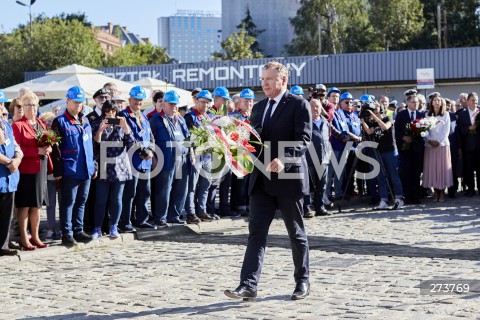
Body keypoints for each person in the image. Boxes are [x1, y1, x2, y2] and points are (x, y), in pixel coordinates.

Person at [224, 61, 312, 301]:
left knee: (295, 232)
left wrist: (284, 158)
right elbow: (253, 141)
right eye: (263, 79)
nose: (264, 83)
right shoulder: (259, 107)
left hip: (288, 179)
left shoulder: (298, 105)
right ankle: (248, 284)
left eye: (269, 79)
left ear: (282, 80)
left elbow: (304, 139)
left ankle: (302, 281)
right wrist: (233, 145)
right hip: (261, 180)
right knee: (256, 234)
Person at [51, 86, 96, 245]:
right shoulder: (60, 121)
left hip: (85, 168)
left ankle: (78, 230)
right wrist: (58, 170)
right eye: (75, 102)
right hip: (70, 169)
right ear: (67, 101)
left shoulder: (85, 120)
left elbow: (90, 145)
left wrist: (93, 165)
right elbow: (55, 149)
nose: (78, 105)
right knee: (68, 201)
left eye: (80, 102)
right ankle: (67, 233)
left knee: (82, 201)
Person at [11, 93, 52, 250]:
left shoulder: (40, 123)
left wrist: (49, 147)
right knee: (25, 205)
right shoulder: (18, 125)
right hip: (26, 170)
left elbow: (46, 141)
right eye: (28, 105)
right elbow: (18, 149)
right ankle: (23, 238)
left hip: (40, 168)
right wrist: (37, 151)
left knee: (37, 205)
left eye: (34, 105)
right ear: (22, 107)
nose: (32, 108)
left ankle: (35, 237)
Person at [91, 100, 134, 239]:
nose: (110, 114)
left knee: (116, 199)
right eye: (107, 111)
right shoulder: (98, 123)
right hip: (103, 165)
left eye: (113, 111)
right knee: (100, 199)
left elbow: (132, 145)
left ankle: (114, 226)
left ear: (116, 112)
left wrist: (126, 128)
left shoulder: (122, 124)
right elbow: (94, 145)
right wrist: (100, 131)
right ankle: (97, 227)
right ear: (104, 112)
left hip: (120, 166)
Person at [150, 91, 191, 226]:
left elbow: (187, 138)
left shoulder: (180, 119)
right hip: (165, 159)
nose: (174, 106)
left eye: (175, 104)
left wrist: (191, 152)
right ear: (164, 104)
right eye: (171, 104)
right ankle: (160, 217)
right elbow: (150, 141)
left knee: (180, 188)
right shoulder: (156, 119)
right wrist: (154, 158)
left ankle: (174, 215)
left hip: (182, 158)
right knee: (164, 189)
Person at [119, 86, 156, 231]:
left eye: (140, 100)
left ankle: (142, 219)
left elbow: (150, 136)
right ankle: (125, 222)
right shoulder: (124, 115)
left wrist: (151, 150)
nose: (138, 103)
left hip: (145, 160)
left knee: (144, 192)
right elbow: (127, 136)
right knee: (129, 194)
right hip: (131, 160)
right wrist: (142, 150)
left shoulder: (144, 116)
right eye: (135, 99)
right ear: (129, 99)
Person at [361, 104, 404, 209]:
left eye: (376, 112)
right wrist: (362, 120)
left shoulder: (388, 118)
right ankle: (383, 200)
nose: (374, 114)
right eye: (373, 112)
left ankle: (399, 198)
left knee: (394, 175)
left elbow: (385, 127)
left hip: (390, 151)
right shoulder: (373, 122)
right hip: (378, 152)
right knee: (381, 177)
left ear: (381, 111)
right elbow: (369, 131)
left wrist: (374, 116)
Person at [183, 90, 213, 224]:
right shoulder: (190, 116)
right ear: (196, 101)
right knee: (192, 185)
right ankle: (191, 212)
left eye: (207, 103)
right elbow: (188, 138)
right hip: (195, 154)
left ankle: (202, 210)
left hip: (207, 155)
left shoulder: (207, 117)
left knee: (205, 184)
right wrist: (191, 152)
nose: (205, 105)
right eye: (202, 102)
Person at [394, 89, 426, 204]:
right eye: (414, 102)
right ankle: (407, 196)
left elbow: (424, 130)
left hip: (417, 148)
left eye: (417, 102)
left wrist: (421, 132)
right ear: (408, 103)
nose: (416, 104)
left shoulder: (421, 114)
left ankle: (415, 196)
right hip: (405, 148)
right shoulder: (401, 114)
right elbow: (396, 130)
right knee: (406, 172)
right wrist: (403, 137)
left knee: (416, 173)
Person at [0, 110, 23, 256]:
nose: (3, 109)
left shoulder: (5, 125)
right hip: (3, 172)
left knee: (6, 213)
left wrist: (17, 159)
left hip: (9, 176)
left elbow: (15, 145)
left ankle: (3, 244)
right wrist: (9, 162)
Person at [422, 93, 452, 201]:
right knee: (433, 170)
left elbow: (446, 131)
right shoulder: (427, 114)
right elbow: (424, 130)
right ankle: (435, 192)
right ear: (431, 102)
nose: (436, 102)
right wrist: (430, 140)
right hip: (430, 146)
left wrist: (438, 142)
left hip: (442, 145)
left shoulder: (446, 115)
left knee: (442, 169)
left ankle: (442, 192)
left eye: (439, 100)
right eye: (435, 100)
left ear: (442, 102)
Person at [303, 99, 330, 218]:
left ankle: (320, 207)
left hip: (323, 159)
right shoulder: (305, 122)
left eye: (317, 107)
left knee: (322, 185)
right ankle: (307, 208)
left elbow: (327, 139)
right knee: (307, 185)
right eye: (312, 106)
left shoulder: (325, 122)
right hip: (309, 159)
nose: (315, 109)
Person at [230, 88, 255, 216]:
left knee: (251, 181)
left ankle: (249, 204)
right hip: (239, 153)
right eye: (246, 101)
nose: (248, 104)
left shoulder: (256, 115)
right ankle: (240, 206)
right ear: (239, 102)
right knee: (241, 181)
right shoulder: (234, 116)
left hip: (254, 153)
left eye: (250, 101)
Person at [38, 111, 60, 240]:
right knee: (51, 203)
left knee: (63, 202)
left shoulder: (59, 135)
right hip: (47, 174)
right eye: (46, 123)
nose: (49, 126)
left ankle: (63, 227)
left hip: (61, 174)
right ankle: (51, 228)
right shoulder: (40, 137)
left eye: (51, 122)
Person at [456, 92, 480, 197]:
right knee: (468, 169)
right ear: (468, 101)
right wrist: (468, 129)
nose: (475, 102)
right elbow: (460, 130)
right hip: (468, 146)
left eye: (476, 100)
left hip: (479, 145)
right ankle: (470, 189)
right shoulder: (462, 115)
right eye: (472, 100)